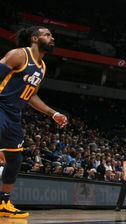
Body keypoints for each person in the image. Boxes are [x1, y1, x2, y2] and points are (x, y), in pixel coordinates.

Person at [0, 26, 68, 218]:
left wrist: (52, 113)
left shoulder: (42, 67)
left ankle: (3, 202)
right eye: (47, 34)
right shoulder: (18, 55)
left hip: (14, 114)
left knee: (15, 160)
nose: (52, 37)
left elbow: (31, 96)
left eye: (52, 35)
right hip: (0, 106)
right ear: (34, 38)